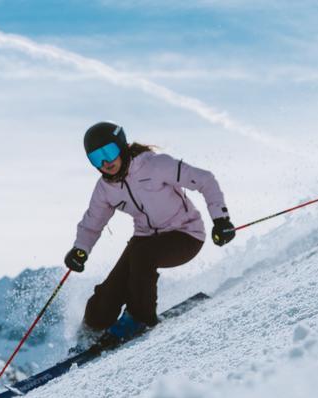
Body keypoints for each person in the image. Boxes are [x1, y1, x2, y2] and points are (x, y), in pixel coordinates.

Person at [64, 121, 235, 343]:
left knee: (142, 253)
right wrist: (80, 249)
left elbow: (205, 180)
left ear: (121, 146)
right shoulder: (105, 188)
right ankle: (91, 332)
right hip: (145, 240)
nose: (105, 162)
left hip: (185, 234)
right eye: (97, 158)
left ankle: (140, 317)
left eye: (109, 152)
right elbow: (92, 222)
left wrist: (221, 219)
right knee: (108, 292)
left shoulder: (156, 165)